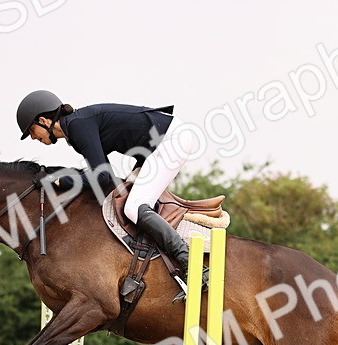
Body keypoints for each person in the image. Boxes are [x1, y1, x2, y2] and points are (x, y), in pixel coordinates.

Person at [15, 89, 204, 287]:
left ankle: (189, 261)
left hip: (171, 141)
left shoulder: (78, 125)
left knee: (134, 207)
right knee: (120, 202)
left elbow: (102, 176)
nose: (33, 138)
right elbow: (105, 176)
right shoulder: (75, 127)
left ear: (44, 121)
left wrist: (58, 180)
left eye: (31, 131)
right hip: (156, 147)